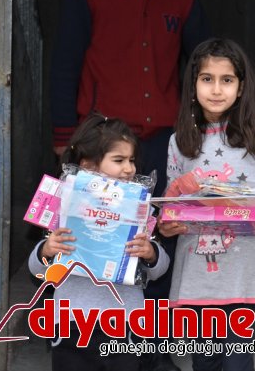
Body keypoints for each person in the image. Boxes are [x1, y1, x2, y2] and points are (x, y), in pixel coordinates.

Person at [49, 0, 210, 371]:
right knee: (83, 241)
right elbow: (64, 66)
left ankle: (142, 350)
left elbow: (203, 64)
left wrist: (203, 136)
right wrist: (64, 140)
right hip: (100, 145)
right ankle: (75, 346)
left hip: (160, 143)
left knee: (153, 243)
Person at [158, 38, 255, 370]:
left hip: (246, 268)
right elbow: (171, 204)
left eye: (227, 80)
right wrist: (166, 223)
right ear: (193, 84)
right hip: (200, 272)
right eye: (207, 79)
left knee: (240, 362)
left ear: (240, 88)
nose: (216, 89)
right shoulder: (179, 142)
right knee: (205, 363)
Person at [28, 113, 169, 371]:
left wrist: (151, 254)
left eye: (132, 160)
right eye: (119, 160)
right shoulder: (64, 209)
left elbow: (159, 270)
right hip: (71, 324)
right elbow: (37, 271)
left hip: (125, 323)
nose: (130, 168)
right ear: (89, 166)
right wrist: (46, 250)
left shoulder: (139, 210)